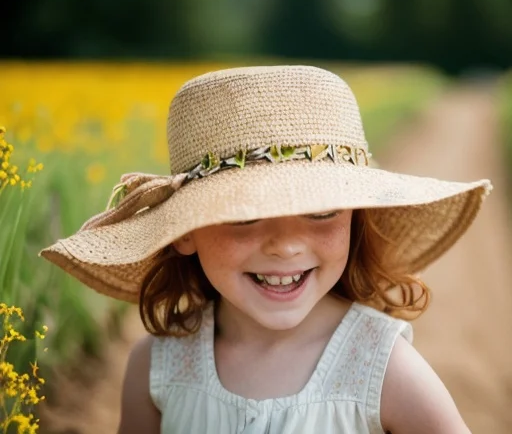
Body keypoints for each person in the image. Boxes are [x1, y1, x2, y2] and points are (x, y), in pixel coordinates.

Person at [40, 65, 492, 434]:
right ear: (185, 231)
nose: (286, 246)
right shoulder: (158, 367)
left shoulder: (380, 366)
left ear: (356, 218)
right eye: (243, 216)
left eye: (321, 212)